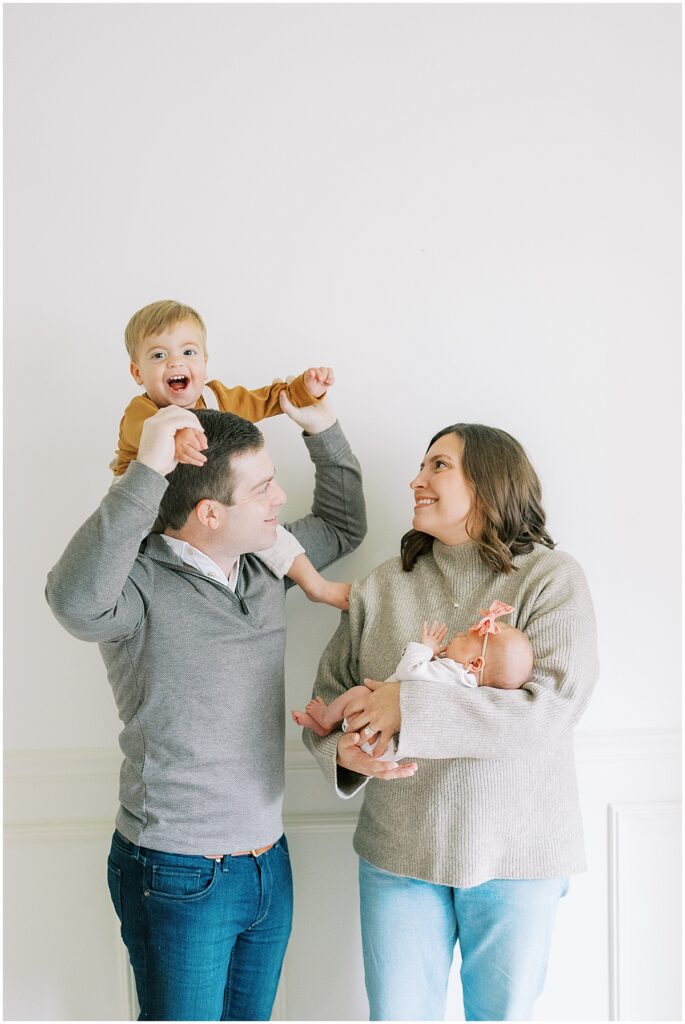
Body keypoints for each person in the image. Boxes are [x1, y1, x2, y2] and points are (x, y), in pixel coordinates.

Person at [45, 395, 366, 1022]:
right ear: (210, 513)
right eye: (263, 488)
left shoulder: (267, 564)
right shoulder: (136, 585)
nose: (279, 499)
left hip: (268, 860)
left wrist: (322, 428)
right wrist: (147, 469)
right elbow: (73, 601)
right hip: (176, 871)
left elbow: (343, 526)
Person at [303, 422, 599, 1022]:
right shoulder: (383, 584)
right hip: (398, 856)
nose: (417, 479)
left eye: (438, 465)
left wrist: (407, 707)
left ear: (489, 482)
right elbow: (327, 702)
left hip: (518, 857)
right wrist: (340, 754)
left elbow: (549, 710)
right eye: (422, 465)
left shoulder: (550, 578)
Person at [114, 298, 350, 610]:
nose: (175, 363)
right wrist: (178, 434)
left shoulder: (216, 399)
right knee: (124, 552)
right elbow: (148, 432)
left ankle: (317, 586)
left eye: (188, 352)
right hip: (149, 504)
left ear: (205, 362)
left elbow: (262, 400)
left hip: (202, 502)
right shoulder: (140, 411)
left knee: (271, 531)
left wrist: (303, 390)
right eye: (159, 355)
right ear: (137, 372)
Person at [291, 605, 533, 750]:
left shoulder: (452, 673)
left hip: (376, 729)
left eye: (465, 638)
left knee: (359, 692)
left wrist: (425, 648)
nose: (459, 633)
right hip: (385, 736)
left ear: (475, 664)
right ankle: (327, 725)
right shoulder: (461, 684)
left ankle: (326, 719)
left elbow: (409, 671)